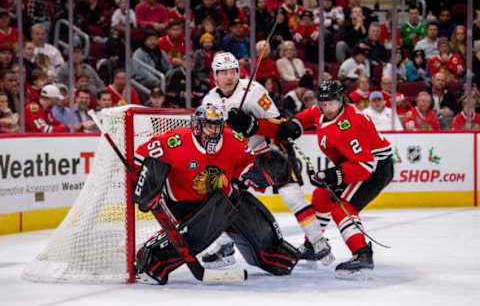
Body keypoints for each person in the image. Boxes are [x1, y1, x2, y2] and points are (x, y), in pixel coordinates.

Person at [134, 104, 299, 284]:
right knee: (200, 229)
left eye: (217, 126)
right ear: (197, 126)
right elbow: (140, 157)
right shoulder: (176, 141)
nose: (214, 131)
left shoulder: (234, 139)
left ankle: (272, 253)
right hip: (184, 204)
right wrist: (146, 185)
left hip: (221, 199)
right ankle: (153, 258)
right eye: (208, 126)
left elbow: (245, 165)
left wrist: (259, 171)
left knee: (243, 206)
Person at [201, 52, 333, 267]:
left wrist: (251, 125)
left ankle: (319, 241)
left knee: (292, 195)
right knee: (224, 199)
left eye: (232, 71)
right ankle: (225, 246)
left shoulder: (253, 92)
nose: (229, 77)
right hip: (237, 160)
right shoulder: (210, 100)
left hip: (264, 152)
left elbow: (279, 125)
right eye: (223, 72)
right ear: (215, 76)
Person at [289, 80, 394, 278]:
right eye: (322, 103)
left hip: (375, 169)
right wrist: (294, 124)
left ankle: (362, 254)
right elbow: (310, 114)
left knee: (340, 205)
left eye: (330, 103)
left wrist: (333, 175)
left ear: (341, 100)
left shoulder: (350, 125)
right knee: (321, 195)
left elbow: (364, 166)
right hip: (354, 164)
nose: (325, 107)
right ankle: (313, 245)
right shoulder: (323, 110)